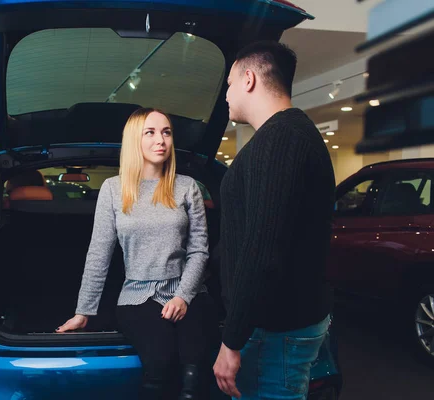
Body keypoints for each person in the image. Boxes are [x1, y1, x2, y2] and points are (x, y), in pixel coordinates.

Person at [57, 108, 217, 400]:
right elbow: (99, 254)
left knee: (195, 368)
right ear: (135, 140)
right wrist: (84, 312)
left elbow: (199, 251)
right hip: (137, 296)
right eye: (151, 132)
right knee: (161, 360)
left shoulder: (186, 186)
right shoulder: (113, 189)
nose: (161, 140)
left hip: (188, 292)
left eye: (166, 132)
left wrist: (182, 297)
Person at [213, 41, 335, 399]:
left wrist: (231, 342)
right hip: (281, 324)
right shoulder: (286, 135)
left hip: (275, 329)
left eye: (230, 84)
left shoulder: (281, 139)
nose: (226, 96)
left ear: (249, 79)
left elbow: (263, 250)